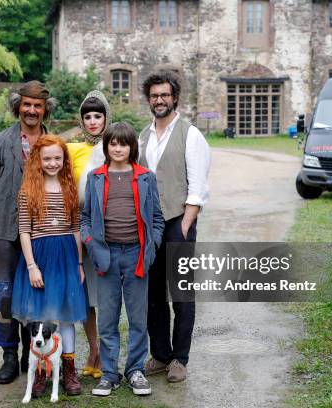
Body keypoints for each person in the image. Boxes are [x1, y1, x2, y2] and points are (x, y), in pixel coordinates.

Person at [0, 81, 56, 384]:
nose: (32, 110)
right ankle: (9, 355)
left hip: (43, 233)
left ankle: (33, 354)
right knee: (5, 294)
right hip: (4, 233)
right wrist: (0, 214)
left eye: (38, 106)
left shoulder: (53, 144)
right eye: (27, 104)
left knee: (36, 294)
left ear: (45, 108)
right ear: (18, 106)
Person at [81, 122, 165, 397]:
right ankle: (109, 373)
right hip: (105, 256)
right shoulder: (95, 177)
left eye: (123, 144)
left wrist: (151, 246)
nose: (118, 148)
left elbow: (156, 219)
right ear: (106, 147)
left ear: (132, 148)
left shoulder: (145, 177)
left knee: (138, 318)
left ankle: (135, 371)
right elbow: (85, 219)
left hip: (136, 256)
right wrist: (91, 245)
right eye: (113, 144)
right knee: (107, 319)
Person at [138, 71, 211, 382]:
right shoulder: (142, 136)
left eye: (164, 95)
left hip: (177, 222)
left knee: (181, 294)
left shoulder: (190, 134)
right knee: (152, 294)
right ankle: (161, 354)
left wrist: (185, 224)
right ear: (149, 100)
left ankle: (180, 358)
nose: (159, 100)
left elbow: (198, 185)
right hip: (148, 226)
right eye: (154, 96)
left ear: (175, 98)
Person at [11, 135, 87, 397]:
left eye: (57, 157)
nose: (53, 163)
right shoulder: (28, 190)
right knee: (40, 314)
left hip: (65, 256)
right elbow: (24, 231)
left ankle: (68, 370)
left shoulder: (70, 187)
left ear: (64, 159)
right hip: (40, 256)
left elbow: (76, 228)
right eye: (47, 158)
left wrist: (78, 262)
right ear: (37, 160)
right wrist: (31, 266)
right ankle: (41, 372)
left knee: (66, 316)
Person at [67, 90, 111, 379]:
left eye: (97, 116)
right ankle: (93, 348)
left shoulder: (116, 144)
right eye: (88, 117)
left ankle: (106, 353)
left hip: (109, 230)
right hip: (80, 229)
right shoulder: (72, 149)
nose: (93, 121)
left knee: (105, 295)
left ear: (107, 118)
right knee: (86, 297)